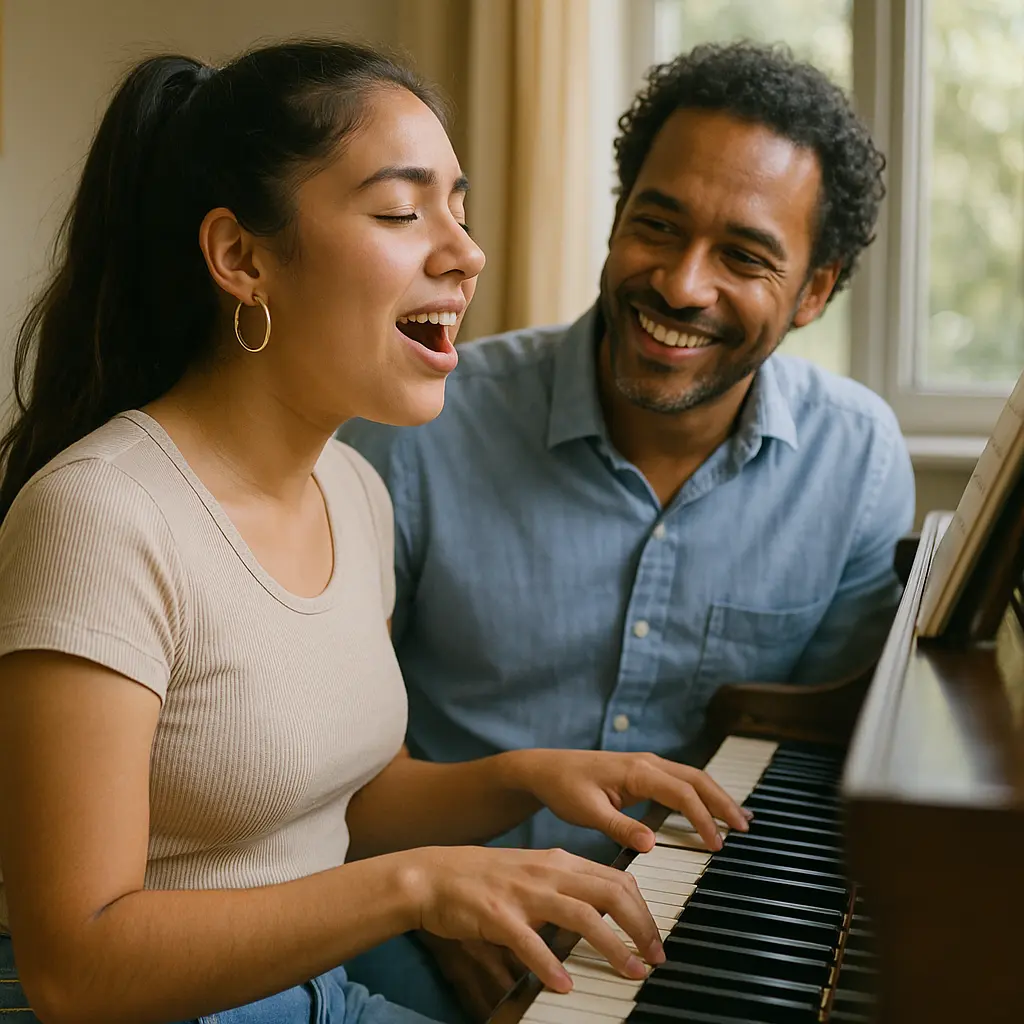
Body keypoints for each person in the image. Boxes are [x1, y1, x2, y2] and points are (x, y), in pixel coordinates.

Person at [0, 40, 752, 1024]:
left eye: (459, 210)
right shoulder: (101, 515)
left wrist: (527, 777)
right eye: (402, 212)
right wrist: (417, 885)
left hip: (318, 995)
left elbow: (339, 797)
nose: (466, 253)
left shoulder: (353, 487)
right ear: (242, 258)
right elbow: (75, 970)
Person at [339, 41, 916, 1021]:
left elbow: (806, 760)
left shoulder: (857, 465)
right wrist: (440, 902)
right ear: (616, 220)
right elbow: (310, 757)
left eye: (744, 257)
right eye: (657, 225)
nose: (682, 285)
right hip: (418, 907)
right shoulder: (415, 430)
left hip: (682, 936)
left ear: (815, 291)